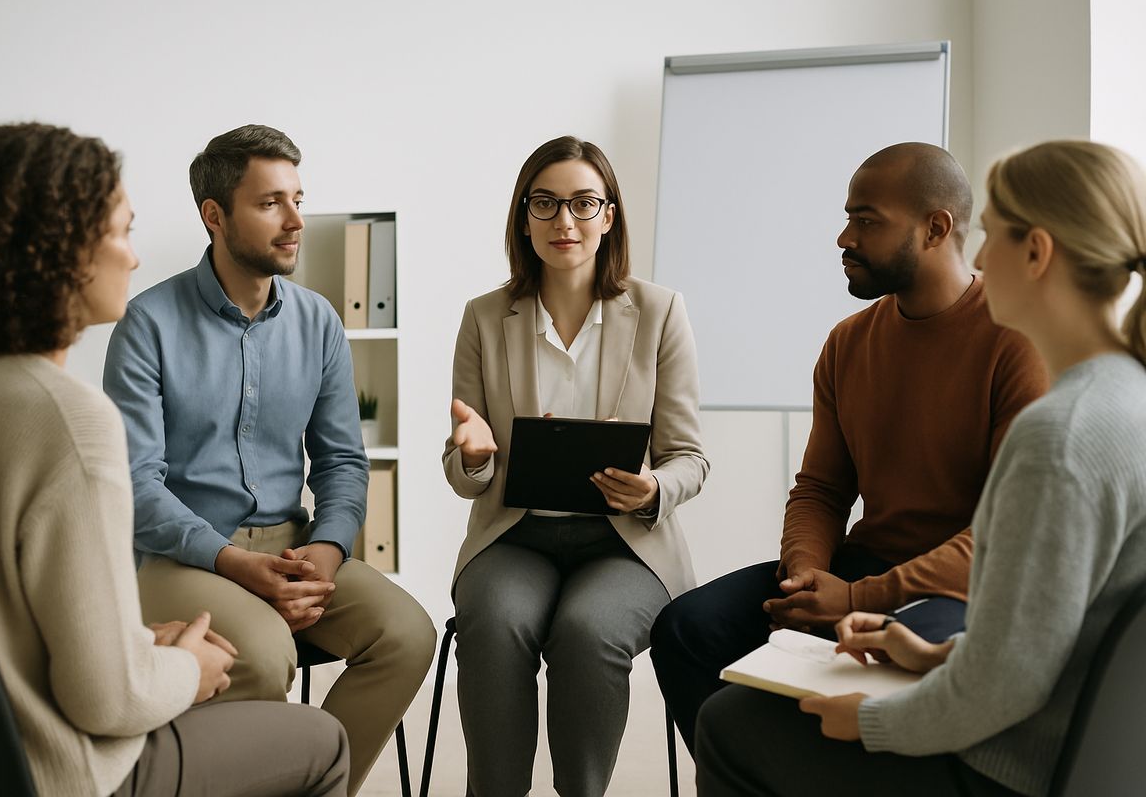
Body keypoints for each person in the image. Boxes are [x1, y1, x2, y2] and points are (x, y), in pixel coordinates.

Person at [696, 139, 1146, 797]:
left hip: (1001, 768)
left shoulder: (1060, 436)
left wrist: (872, 721)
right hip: (1067, 750)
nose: (982, 256)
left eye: (992, 234)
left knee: (729, 724)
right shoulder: (1124, 394)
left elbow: (1004, 688)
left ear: (1038, 252)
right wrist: (934, 655)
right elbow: (1040, 635)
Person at [0, 123, 350, 796]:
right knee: (322, 742)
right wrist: (189, 666)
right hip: (68, 768)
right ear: (63, 252)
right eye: (123, 232)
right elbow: (107, 700)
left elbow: (11, 617)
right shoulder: (72, 422)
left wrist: (142, 643)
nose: (134, 258)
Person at [650, 142, 1050, 752]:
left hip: (963, 587)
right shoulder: (848, 342)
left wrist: (859, 598)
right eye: (847, 218)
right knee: (685, 628)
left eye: (866, 221)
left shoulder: (1014, 339)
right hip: (864, 567)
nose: (843, 238)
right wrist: (806, 574)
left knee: (860, 669)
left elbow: (1005, 536)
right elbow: (822, 488)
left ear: (935, 228)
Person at [102, 124, 434, 796]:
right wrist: (235, 564)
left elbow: (342, 461)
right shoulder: (148, 324)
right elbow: (136, 486)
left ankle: (314, 783)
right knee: (261, 653)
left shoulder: (318, 323)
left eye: (297, 199)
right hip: (183, 559)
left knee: (407, 634)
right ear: (215, 216)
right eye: (271, 203)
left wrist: (330, 550)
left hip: (293, 546)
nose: (295, 221)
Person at [443, 135, 709, 796]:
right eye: (546, 203)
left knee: (587, 633)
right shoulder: (484, 317)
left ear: (610, 215)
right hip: (516, 533)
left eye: (584, 203)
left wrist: (651, 488)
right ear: (523, 216)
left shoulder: (659, 312)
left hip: (625, 544)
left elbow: (690, 458)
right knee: (495, 623)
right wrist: (472, 456)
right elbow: (461, 469)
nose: (565, 222)